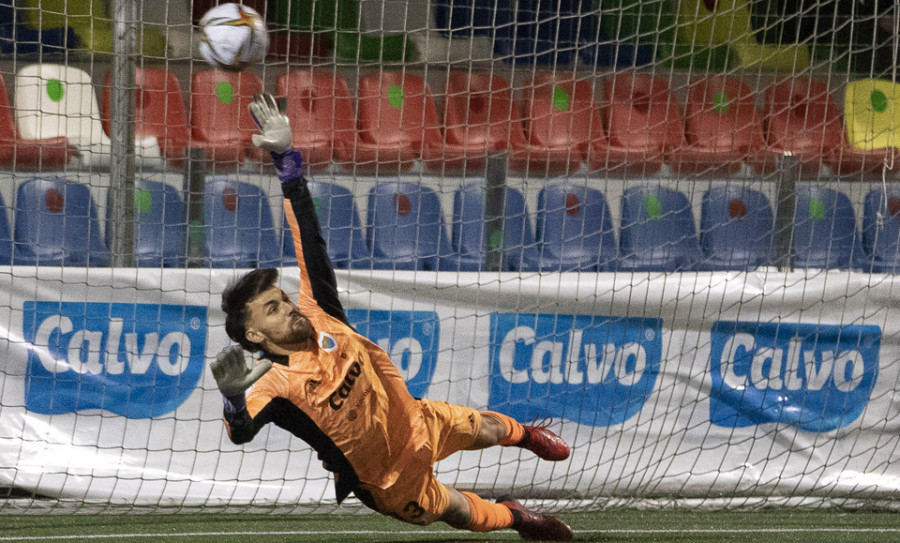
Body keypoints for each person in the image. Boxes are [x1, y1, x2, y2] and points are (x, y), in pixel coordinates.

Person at [211, 94, 574, 542]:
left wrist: (288, 162)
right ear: (254, 334)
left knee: (489, 428)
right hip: (385, 480)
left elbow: (310, 240)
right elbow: (241, 432)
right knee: (458, 512)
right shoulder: (270, 384)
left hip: (418, 419)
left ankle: (525, 435)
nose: (288, 307)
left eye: (284, 299)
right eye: (273, 309)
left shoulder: (321, 313)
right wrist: (232, 400)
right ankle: (520, 518)